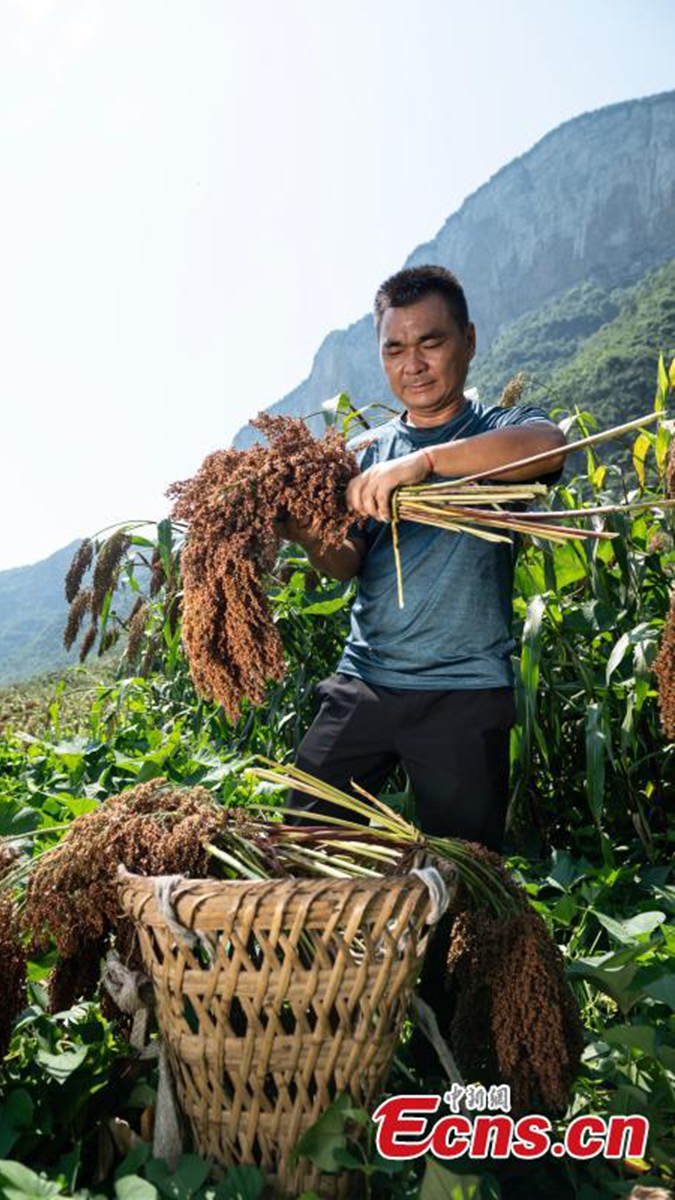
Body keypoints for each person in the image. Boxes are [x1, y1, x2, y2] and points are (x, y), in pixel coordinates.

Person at [275, 264, 567, 1073]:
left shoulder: (505, 426)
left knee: (458, 890)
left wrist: (425, 466)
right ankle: (319, 1025)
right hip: (365, 684)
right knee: (304, 841)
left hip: (463, 696)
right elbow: (341, 562)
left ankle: (448, 1062)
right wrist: (307, 529)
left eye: (430, 342)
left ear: (465, 343)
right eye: (395, 348)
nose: (413, 362)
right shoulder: (365, 449)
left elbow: (548, 451)